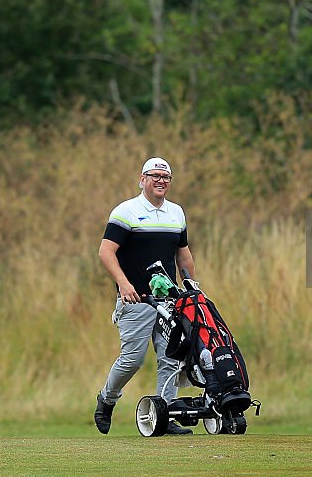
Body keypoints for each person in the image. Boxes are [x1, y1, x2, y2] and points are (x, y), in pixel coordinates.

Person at [94, 157, 196, 435]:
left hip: (167, 301)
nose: (161, 181)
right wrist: (123, 284)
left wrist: (191, 284)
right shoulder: (126, 212)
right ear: (143, 179)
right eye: (155, 176)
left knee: (171, 358)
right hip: (135, 300)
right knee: (132, 360)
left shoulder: (176, 213)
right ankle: (107, 399)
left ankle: (165, 415)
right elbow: (106, 251)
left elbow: (182, 254)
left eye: (166, 177)